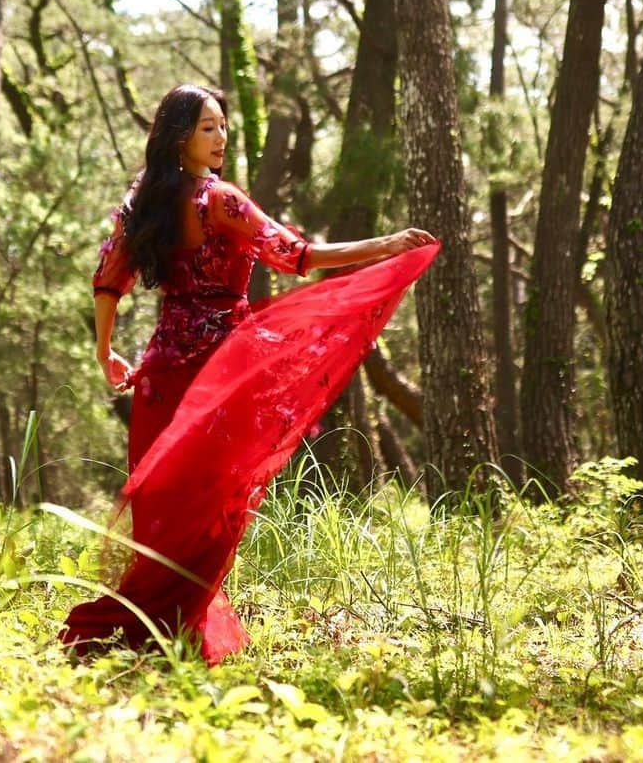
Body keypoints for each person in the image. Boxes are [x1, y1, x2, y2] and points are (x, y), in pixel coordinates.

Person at [60, 83, 438, 665]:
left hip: (164, 373)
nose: (221, 138)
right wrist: (386, 245)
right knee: (212, 511)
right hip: (218, 377)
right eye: (207, 127)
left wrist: (105, 351)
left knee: (169, 512)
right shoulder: (219, 200)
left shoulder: (144, 201)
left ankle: (153, 632)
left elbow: (109, 279)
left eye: (222, 126)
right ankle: (147, 631)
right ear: (178, 136)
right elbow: (298, 256)